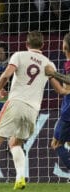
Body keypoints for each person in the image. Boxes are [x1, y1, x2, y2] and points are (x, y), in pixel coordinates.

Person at [0, 31, 70, 190]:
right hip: (33, 110)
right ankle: (20, 178)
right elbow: (62, 91)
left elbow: (5, 75)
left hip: (16, 102)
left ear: (26, 44)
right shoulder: (49, 64)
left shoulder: (19, 55)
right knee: (15, 143)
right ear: (43, 45)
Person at [45, 32, 70, 170]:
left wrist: (52, 74)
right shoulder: (67, 64)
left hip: (68, 112)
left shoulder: (69, 64)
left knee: (56, 144)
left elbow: (65, 87)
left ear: (64, 46)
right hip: (67, 108)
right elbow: (63, 90)